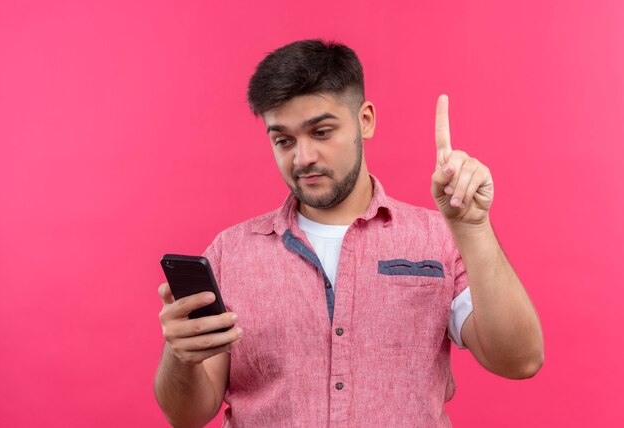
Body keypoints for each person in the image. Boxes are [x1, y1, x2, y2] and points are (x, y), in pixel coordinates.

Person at [154, 39, 544, 427]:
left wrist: (472, 228)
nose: (302, 157)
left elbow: (519, 360)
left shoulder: (438, 240)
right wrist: (179, 355)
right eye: (284, 140)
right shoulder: (230, 253)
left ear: (365, 120)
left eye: (321, 132)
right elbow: (187, 416)